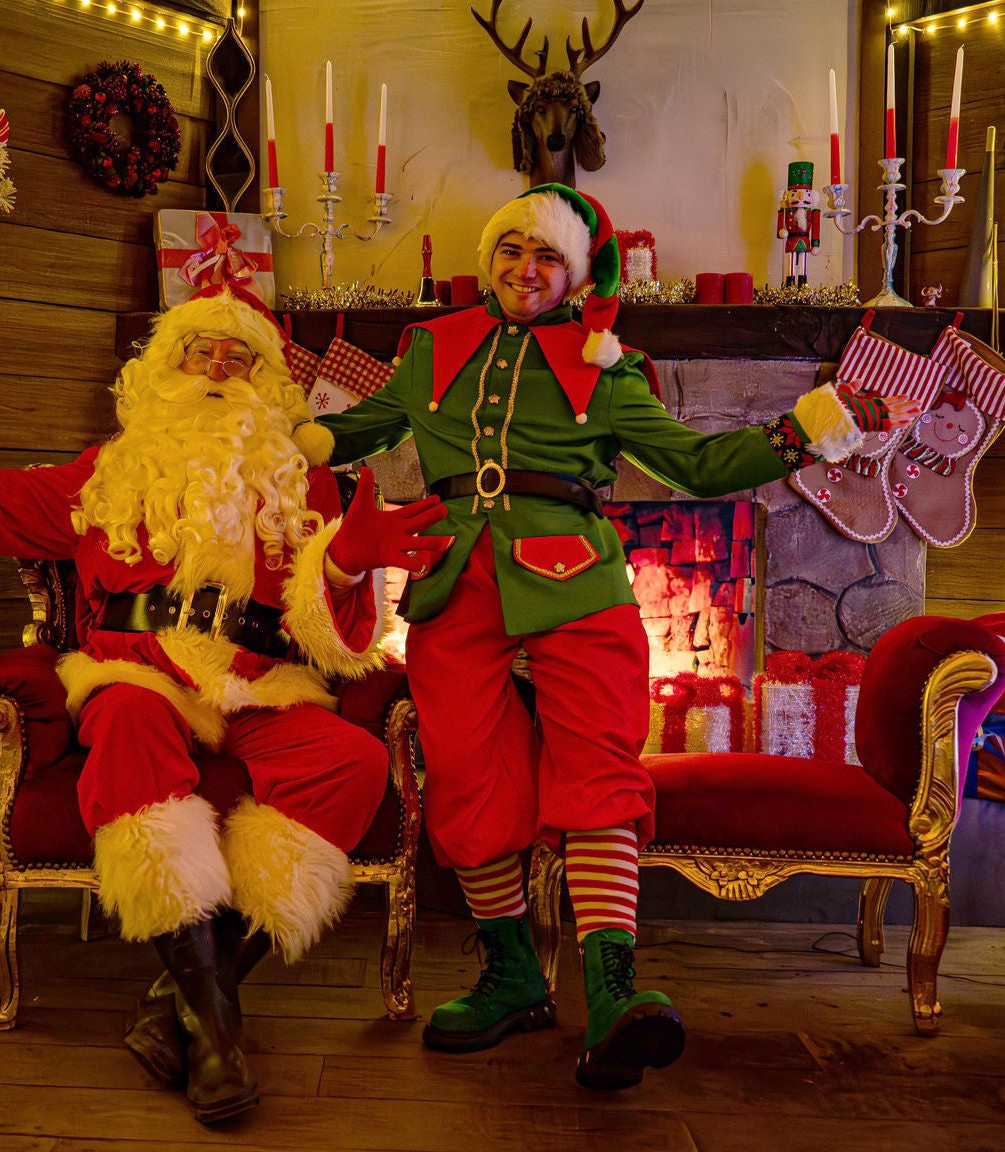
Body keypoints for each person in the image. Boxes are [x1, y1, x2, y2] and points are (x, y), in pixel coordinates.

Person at [316, 183, 916, 1089]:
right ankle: (514, 976)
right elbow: (347, 432)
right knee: (470, 782)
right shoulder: (431, 347)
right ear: (490, 259)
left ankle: (614, 996)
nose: (526, 270)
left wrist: (807, 430)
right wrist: (255, 428)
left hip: (576, 576)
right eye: (512, 250)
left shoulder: (607, 365)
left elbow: (700, 465)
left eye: (547, 257)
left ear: (576, 273)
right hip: (453, 579)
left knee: (598, 770)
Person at [0, 278, 449, 1124]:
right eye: (201, 351)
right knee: (122, 721)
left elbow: (334, 632)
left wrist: (345, 566)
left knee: (354, 759)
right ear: (164, 369)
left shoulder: (312, 489)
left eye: (242, 357)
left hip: (263, 684)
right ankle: (220, 1043)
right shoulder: (107, 474)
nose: (220, 366)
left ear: (271, 385)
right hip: (142, 675)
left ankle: (185, 1008)